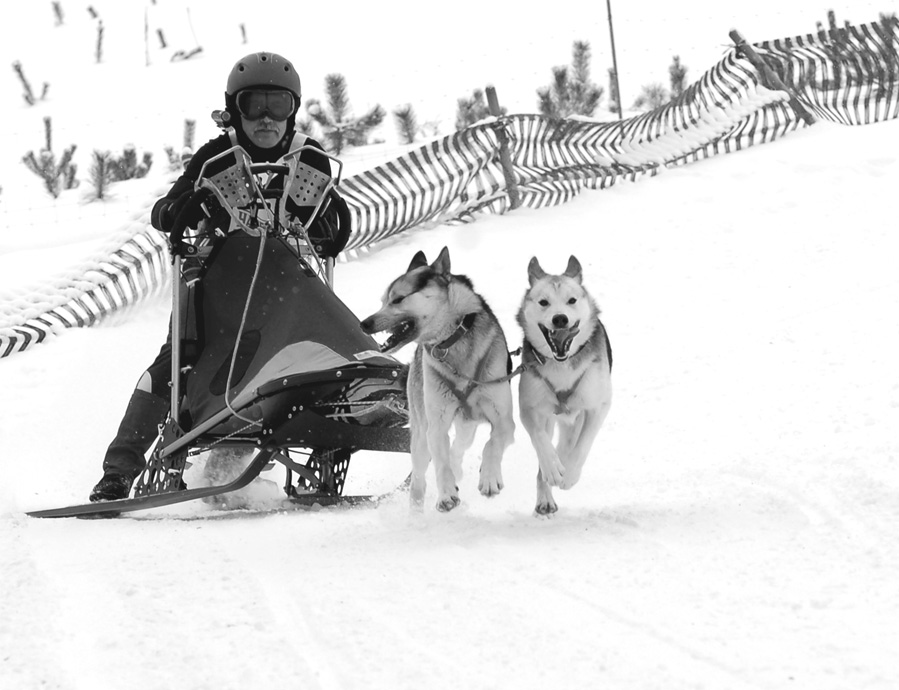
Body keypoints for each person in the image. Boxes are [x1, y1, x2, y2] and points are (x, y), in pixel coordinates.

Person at [90, 51, 340, 502]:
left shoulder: (310, 158)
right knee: (175, 366)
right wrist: (183, 208)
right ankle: (119, 471)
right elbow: (165, 211)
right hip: (217, 285)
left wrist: (328, 224)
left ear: (293, 110)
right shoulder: (216, 155)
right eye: (253, 105)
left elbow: (335, 218)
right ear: (234, 109)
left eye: (277, 105)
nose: (266, 118)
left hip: (286, 290)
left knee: (327, 342)